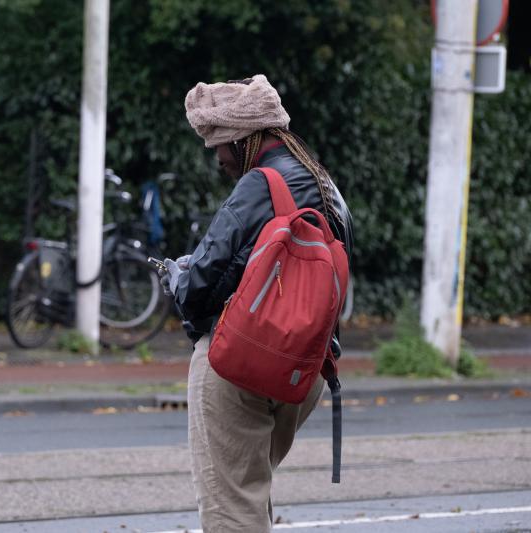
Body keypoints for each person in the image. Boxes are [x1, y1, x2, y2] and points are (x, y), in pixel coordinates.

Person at [160, 74, 354, 532]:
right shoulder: (325, 184)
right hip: (304, 370)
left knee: (231, 511)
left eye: (220, 145)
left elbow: (199, 288)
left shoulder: (259, 184)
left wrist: (177, 275)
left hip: (239, 365)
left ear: (244, 138)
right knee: (248, 496)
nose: (218, 159)